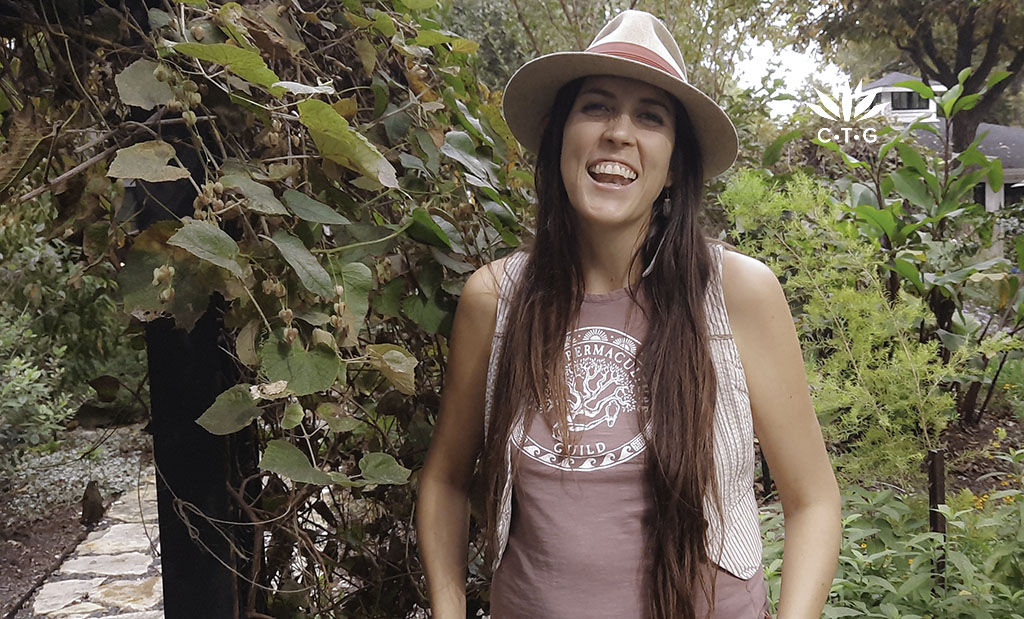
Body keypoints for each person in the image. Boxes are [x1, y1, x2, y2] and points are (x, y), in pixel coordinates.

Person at [416, 10, 840, 619]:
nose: (619, 132)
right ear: (562, 137)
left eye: (650, 116)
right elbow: (447, 481)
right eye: (596, 107)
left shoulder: (735, 292)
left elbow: (813, 501)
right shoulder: (498, 299)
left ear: (673, 168)